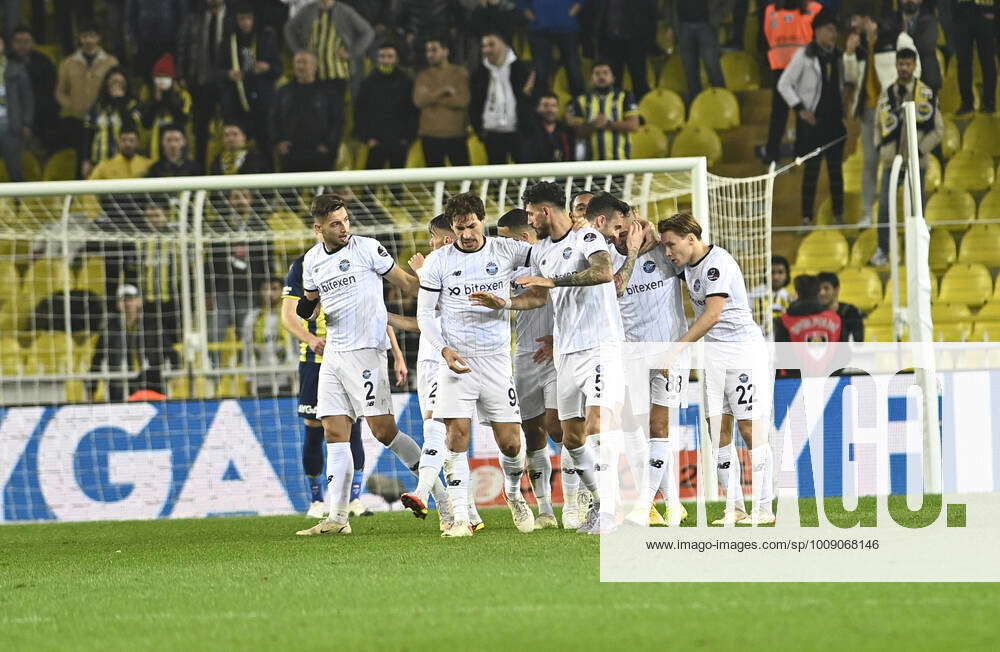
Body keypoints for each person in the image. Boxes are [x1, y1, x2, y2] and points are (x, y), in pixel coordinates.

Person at [471, 181, 628, 535]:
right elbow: (540, 299)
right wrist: (507, 303)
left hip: (601, 345)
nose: (529, 220)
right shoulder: (542, 250)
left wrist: (554, 281)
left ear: (543, 211)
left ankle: (612, 507)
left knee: (599, 423)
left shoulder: (585, 237)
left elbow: (603, 273)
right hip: (568, 352)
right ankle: (600, 501)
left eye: (530, 213)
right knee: (572, 438)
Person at [294, 194, 438, 537]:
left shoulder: (368, 249)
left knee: (383, 431)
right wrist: (307, 308)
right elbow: (310, 306)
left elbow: (407, 285)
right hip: (334, 355)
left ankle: (441, 495)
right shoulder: (312, 261)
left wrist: (433, 280)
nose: (344, 228)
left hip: (368, 353)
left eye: (345, 220)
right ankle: (337, 517)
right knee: (332, 430)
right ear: (319, 229)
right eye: (335, 224)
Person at [411, 193, 536, 537]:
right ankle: (461, 519)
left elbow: (545, 253)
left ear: (483, 220)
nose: (466, 234)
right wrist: (444, 350)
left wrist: (508, 300)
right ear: (451, 228)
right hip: (457, 360)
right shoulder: (438, 262)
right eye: (459, 228)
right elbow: (424, 315)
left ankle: (513, 493)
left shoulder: (505, 250)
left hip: (496, 360)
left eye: (471, 225)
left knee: (511, 443)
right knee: (456, 436)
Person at [659, 212, 775, 525]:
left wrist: (675, 350)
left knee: (750, 429)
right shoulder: (689, 267)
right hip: (715, 355)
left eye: (672, 245)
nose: (668, 252)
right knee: (718, 431)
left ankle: (764, 508)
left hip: (743, 353)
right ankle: (735, 507)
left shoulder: (717, 263)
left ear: (691, 239)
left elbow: (712, 316)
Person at [592, 195, 691, 528]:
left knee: (659, 427)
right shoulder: (605, 259)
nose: (620, 235)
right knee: (634, 428)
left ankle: (661, 505)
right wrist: (632, 248)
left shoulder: (665, 252)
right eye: (614, 230)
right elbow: (615, 289)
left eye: (624, 227)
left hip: (667, 352)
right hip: (629, 354)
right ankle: (660, 506)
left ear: (633, 218)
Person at [282, 243, 381, 520]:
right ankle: (316, 501)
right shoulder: (304, 264)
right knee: (315, 429)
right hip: (315, 361)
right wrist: (312, 339)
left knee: (355, 427)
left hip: (351, 355)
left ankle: (354, 499)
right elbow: (289, 316)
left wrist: (396, 353)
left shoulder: (358, 258)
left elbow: (373, 309)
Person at [396, 214, 478, 532]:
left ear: (445, 240)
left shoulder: (449, 266)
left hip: (446, 360)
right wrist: (386, 316)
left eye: (433, 236)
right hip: (427, 360)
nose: (429, 243)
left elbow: (445, 308)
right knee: (441, 437)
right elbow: (424, 319)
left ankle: (423, 495)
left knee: (436, 430)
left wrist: (420, 271)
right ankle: (468, 514)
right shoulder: (436, 266)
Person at [494, 208, 566, 528]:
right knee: (533, 434)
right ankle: (547, 510)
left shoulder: (555, 260)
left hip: (559, 354)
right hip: (524, 355)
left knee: (558, 427)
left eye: (504, 239)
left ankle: (584, 498)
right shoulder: (505, 268)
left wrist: (559, 339)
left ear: (523, 238)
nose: (498, 246)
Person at [843, 6, 920, 227]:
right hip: (868, 112)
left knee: (899, 163)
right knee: (869, 163)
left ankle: (907, 214)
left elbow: (917, 69)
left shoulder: (897, 38)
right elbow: (851, 78)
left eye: (855, 18)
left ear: (867, 18)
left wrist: (903, 99)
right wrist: (848, 53)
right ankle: (867, 214)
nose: (852, 25)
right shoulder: (858, 46)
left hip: (894, 110)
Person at [870, 48, 943, 266]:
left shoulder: (926, 93)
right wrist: (880, 149)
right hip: (891, 163)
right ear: (896, 65)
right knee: (884, 207)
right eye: (900, 64)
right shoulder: (887, 95)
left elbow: (938, 130)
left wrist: (919, 150)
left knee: (915, 209)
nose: (904, 68)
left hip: (916, 163)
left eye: (908, 64)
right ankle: (883, 249)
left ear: (914, 65)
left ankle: (916, 251)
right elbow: (877, 126)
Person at [777, 8, 845, 226]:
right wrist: (800, 109)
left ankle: (839, 216)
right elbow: (784, 84)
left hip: (835, 122)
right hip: (813, 124)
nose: (833, 34)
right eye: (829, 29)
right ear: (816, 31)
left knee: (836, 171)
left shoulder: (839, 55)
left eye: (835, 30)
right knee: (811, 172)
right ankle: (806, 218)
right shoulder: (804, 55)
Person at [206, 188, 275, 345]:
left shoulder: (262, 227)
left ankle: (246, 369)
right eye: (236, 197)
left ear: (251, 200)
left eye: (245, 196)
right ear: (229, 201)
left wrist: (267, 287)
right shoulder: (218, 226)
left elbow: (267, 262)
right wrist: (209, 292)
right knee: (213, 337)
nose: (240, 201)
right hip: (222, 293)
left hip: (251, 292)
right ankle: (212, 367)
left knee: (247, 339)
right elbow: (209, 263)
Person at [759, 0, 823, 164]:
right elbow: (766, 36)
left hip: (804, 67)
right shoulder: (770, 11)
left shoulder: (814, 9)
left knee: (802, 110)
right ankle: (773, 153)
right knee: (779, 112)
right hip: (780, 67)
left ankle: (802, 153)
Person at [220, 2, 282, 155]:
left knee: (265, 145)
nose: (245, 23)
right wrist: (228, 74)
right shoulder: (229, 41)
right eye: (241, 19)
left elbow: (278, 68)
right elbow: (216, 71)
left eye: (248, 18)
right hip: (238, 102)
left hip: (262, 102)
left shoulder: (266, 37)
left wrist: (267, 68)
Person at [56, 23, 119, 171]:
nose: (88, 40)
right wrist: (72, 106)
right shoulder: (68, 63)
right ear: (80, 38)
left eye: (92, 36)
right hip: (76, 120)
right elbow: (60, 92)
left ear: (98, 38)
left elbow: (117, 87)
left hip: (103, 119)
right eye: (85, 36)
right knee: (80, 161)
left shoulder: (111, 62)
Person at [178, 0, 232, 168]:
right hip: (201, 82)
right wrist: (181, 74)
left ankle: (227, 169)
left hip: (228, 84)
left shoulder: (232, 17)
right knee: (200, 130)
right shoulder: (195, 18)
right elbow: (183, 46)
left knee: (228, 127)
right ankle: (200, 170)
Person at [89, 284, 165, 402]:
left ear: (139, 302)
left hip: (149, 382)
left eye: (131, 299)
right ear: (118, 304)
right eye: (123, 300)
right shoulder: (109, 329)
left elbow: (169, 351)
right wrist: (92, 388)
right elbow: (97, 360)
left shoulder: (152, 326)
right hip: (119, 384)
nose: (127, 303)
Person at [272, 51, 344, 172]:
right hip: (291, 152)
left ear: (315, 66)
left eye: (304, 62)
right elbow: (274, 118)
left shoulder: (328, 92)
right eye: (297, 62)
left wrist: (329, 145)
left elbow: (337, 120)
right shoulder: (283, 92)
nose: (300, 66)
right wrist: (279, 142)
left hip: (320, 152)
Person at [470, 32, 535, 164]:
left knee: (524, 175)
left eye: (491, 45)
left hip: (519, 132)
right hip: (492, 134)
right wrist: (479, 130)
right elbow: (475, 103)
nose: (486, 50)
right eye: (484, 46)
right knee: (496, 179)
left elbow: (531, 100)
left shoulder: (522, 69)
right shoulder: (479, 73)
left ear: (504, 44)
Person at [354, 43, 417, 171]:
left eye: (390, 56)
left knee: (396, 185)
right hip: (375, 142)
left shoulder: (406, 82)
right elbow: (360, 112)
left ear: (396, 58)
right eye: (382, 56)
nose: (386, 60)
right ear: (377, 58)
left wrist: (407, 138)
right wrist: (367, 138)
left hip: (399, 141)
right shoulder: (368, 83)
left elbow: (413, 111)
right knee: (370, 184)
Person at [284, 0, 374, 84]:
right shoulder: (308, 10)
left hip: (337, 70)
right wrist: (298, 50)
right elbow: (289, 28)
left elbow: (368, 32)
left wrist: (351, 52)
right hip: (312, 71)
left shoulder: (345, 11)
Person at [413, 38, 470, 167]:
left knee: (465, 181)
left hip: (456, 134)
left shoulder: (459, 73)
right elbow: (419, 101)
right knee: (435, 182)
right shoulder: (423, 76)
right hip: (429, 135)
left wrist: (431, 96)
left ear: (445, 51)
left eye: (434, 50)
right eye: (427, 51)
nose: (429, 54)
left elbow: (462, 101)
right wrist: (443, 91)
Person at [567, 61, 639, 161]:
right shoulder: (581, 100)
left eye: (605, 73)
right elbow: (577, 132)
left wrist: (608, 124)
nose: (601, 77)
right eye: (597, 74)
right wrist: (593, 125)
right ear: (591, 79)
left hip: (620, 163)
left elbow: (633, 126)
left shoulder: (625, 96)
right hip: (591, 165)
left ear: (613, 78)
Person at [586, 0, 658, 100]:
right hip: (610, 41)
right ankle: (614, 111)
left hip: (635, 41)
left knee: (639, 79)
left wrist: (650, 41)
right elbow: (595, 11)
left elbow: (651, 14)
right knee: (613, 81)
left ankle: (642, 109)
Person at [82, 67, 141, 178]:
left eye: (120, 82)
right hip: (99, 160)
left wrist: (120, 102)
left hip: (124, 162)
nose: (116, 86)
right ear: (107, 84)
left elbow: (132, 129)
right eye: (114, 82)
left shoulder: (132, 105)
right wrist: (86, 160)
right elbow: (88, 135)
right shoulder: (96, 107)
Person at [242, 278, 296, 396]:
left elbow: (298, 347)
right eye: (265, 289)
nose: (269, 293)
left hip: (286, 377)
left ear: (283, 291)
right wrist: (247, 377)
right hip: (260, 378)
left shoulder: (291, 316)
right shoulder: (252, 317)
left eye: (274, 289)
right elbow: (247, 349)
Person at [519, 0, 585, 97]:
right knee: (541, 71)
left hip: (567, 28)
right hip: (539, 31)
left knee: (573, 69)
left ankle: (580, 105)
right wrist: (530, 15)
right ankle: (541, 106)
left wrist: (572, 12)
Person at [9, 26, 58, 154]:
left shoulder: (44, 62)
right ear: (12, 43)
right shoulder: (6, 62)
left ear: (33, 42)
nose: (22, 45)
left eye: (26, 41)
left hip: (42, 117)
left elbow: (51, 92)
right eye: (18, 41)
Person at [139, 54, 193, 163]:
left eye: (165, 76)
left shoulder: (183, 96)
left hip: (177, 148)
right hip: (153, 148)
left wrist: (167, 100)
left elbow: (183, 120)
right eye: (158, 77)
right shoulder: (148, 95)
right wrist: (156, 102)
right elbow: (145, 123)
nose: (161, 80)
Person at [669, 0, 726, 102]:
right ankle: (697, 109)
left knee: (713, 69)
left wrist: (718, 16)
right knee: (690, 74)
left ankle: (724, 105)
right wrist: (671, 24)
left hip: (706, 25)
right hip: (683, 26)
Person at [953, 0, 996, 115]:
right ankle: (966, 103)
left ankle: (989, 103)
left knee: (988, 61)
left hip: (985, 11)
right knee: (963, 62)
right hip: (961, 12)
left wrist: (995, 10)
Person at [125, 0, 185, 81]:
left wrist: (179, 41)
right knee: (145, 81)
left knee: (167, 82)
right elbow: (130, 17)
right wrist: (133, 40)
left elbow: (182, 17)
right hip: (144, 45)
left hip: (169, 44)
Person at [773, 274, 843, 343]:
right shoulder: (835, 319)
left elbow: (781, 352)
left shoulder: (785, 320)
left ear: (797, 293)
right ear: (818, 292)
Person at [0, 35, 32, 183]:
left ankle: (19, 203)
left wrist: (26, 123)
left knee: (14, 168)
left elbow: (27, 98)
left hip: (11, 123)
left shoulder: (16, 68)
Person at [519, 92, 574, 163]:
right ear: (538, 108)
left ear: (558, 109)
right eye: (546, 106)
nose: (550, 110)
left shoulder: (565, 131)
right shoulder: (530, 131)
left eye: (554, 106)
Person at [900, 0, 941, 91]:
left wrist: (903, 40)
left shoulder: (929, 20)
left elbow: (926, 47)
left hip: (926, 76)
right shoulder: (892, 20)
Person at [817, 271, 865, 342]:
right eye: (818, 289)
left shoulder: (851, 312)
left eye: (826, 288)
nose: (821, 293)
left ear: (836, 290)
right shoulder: (810, 313)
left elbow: (858, 342)